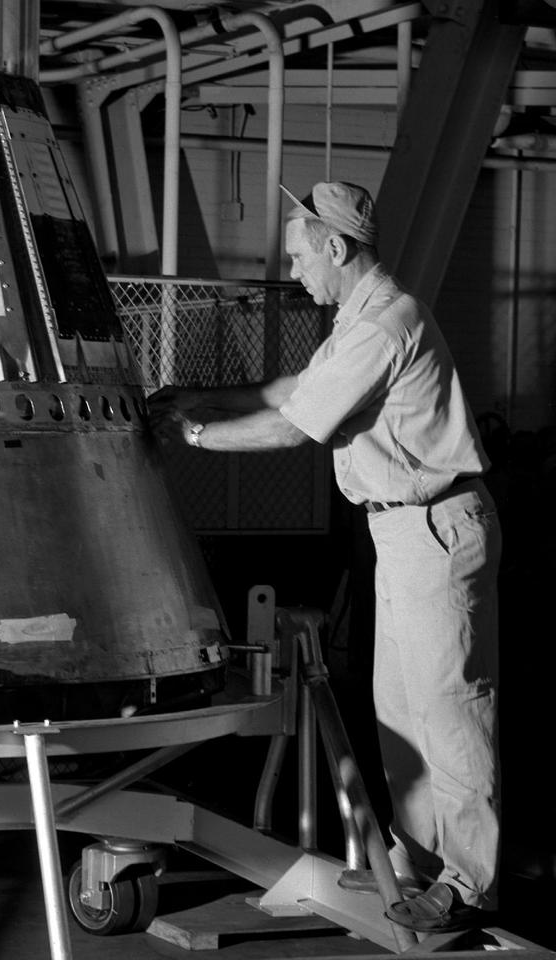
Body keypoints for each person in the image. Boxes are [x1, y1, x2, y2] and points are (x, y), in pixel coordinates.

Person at [148, 181, 501, 933]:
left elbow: (295, 428)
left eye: (300, 255)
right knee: (399, 713)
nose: (295, 270)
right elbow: (290, 389)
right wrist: (200, 397)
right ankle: (418, 862)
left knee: (448, 710)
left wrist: (196, 439)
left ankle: (468, 882)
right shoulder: (360, 319)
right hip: (400, 531)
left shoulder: (383, 325)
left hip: (433, 527)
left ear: (335, 248)